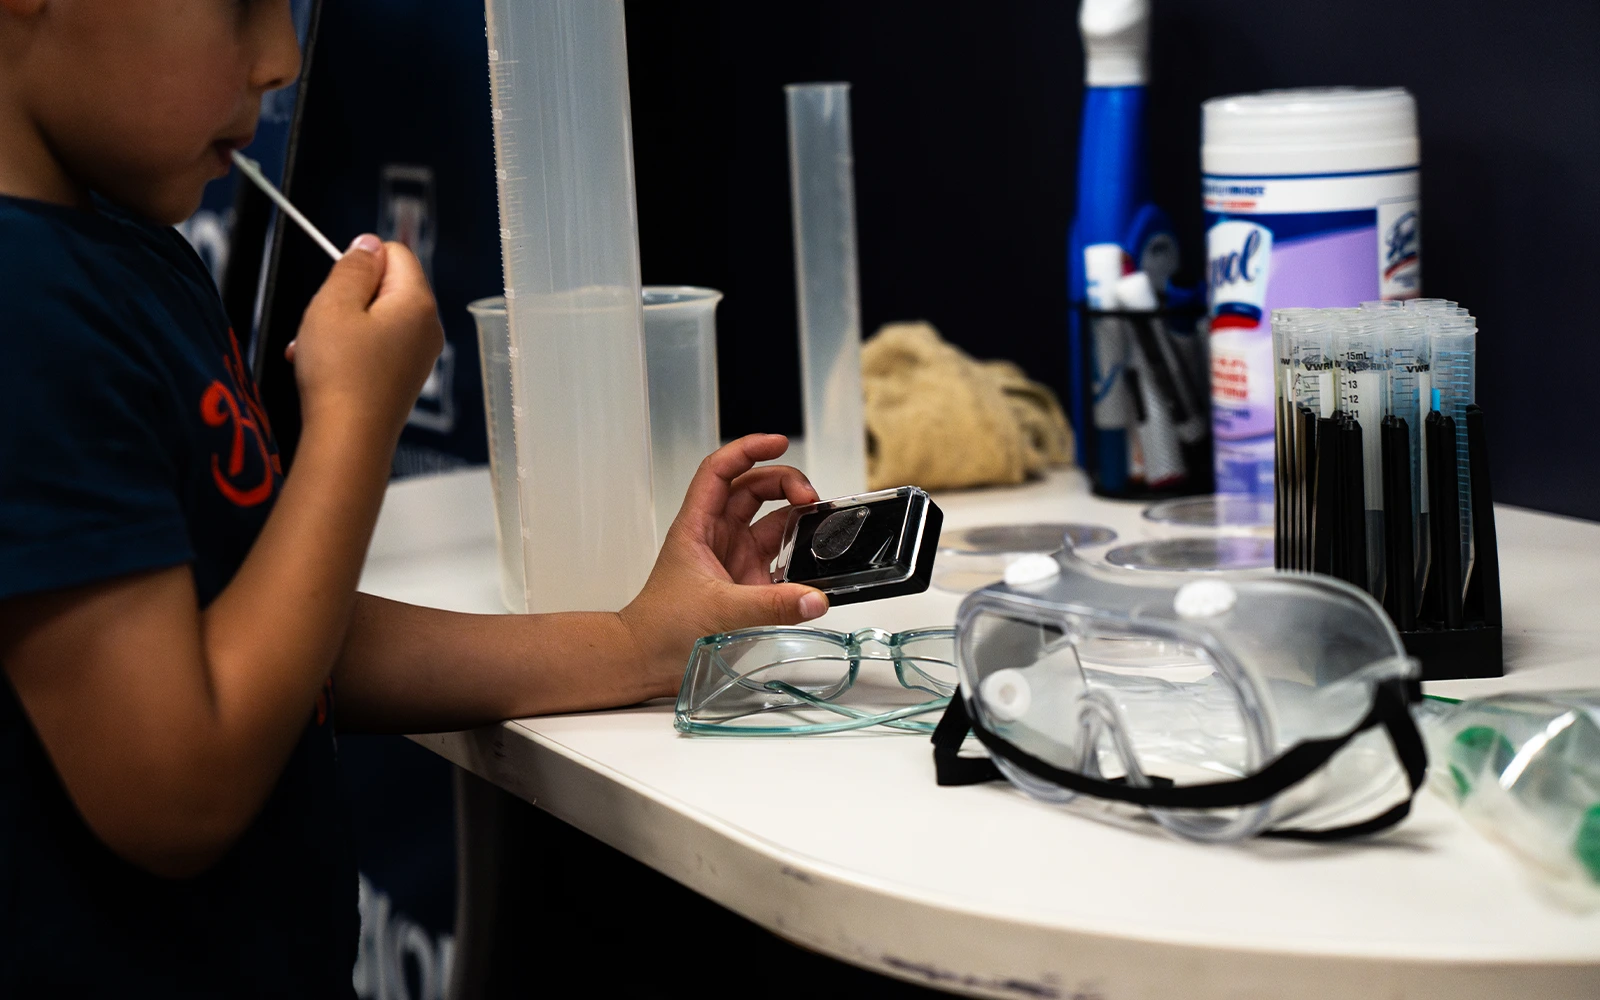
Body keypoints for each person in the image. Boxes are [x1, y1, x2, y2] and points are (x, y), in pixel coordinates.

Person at [0, 1, 829, 994]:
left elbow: (268, 636)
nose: (281, 58)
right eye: (238, 5)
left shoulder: (121, 252)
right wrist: (354, 421)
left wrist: (637, 638)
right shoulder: (23, 304)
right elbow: (177, 789)